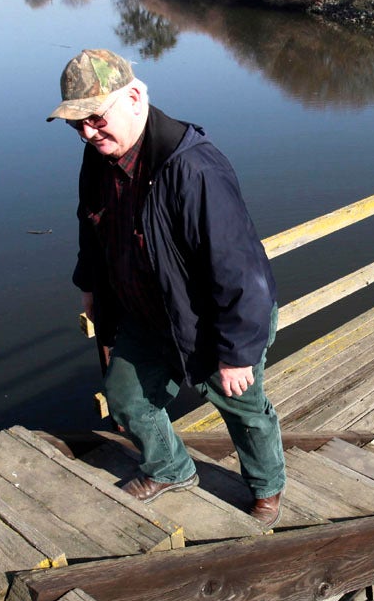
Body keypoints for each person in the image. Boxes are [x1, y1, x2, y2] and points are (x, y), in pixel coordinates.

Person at [48, 48, 285, 525]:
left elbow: (240, 269)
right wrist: (90, 286)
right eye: (77, 125)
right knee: (126, 397)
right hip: (147, 312)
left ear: (135, 98)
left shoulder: (194, 169)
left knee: (242, 408)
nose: (88, 133)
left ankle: (267, 488)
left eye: (95, 118)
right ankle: (171, 468)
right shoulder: (98, 158)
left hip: (212, 319)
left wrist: (237, 352)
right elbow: (91, 228)